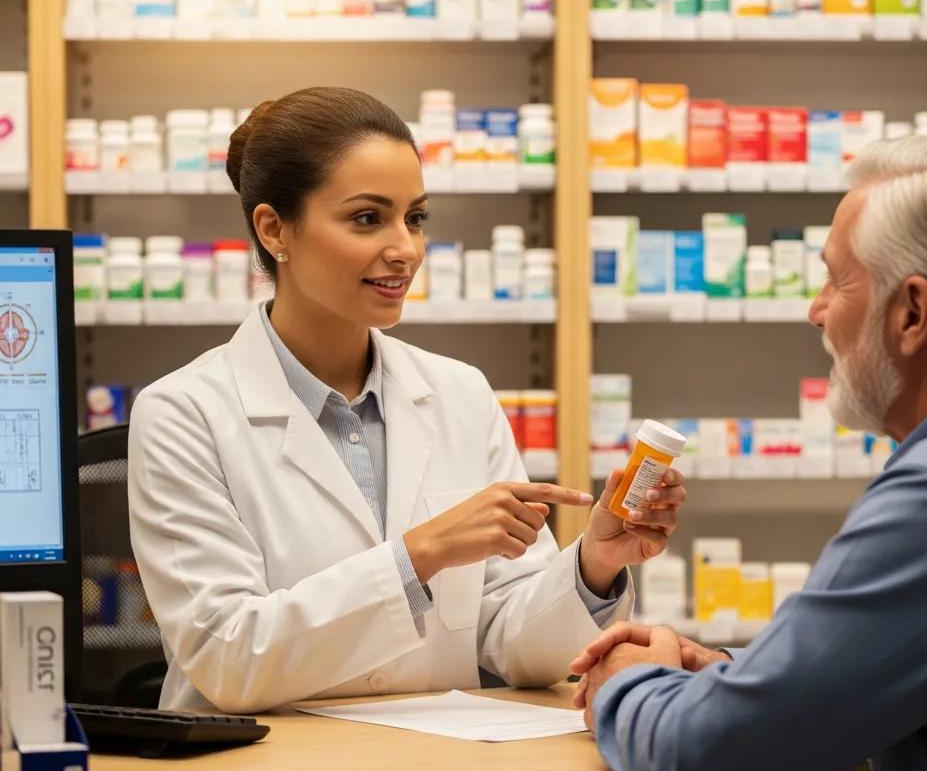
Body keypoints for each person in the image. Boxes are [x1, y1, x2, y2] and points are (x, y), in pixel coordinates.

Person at [570, 136, 927, 771]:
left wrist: (628, 685)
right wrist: (759, 678)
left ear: (912, 313)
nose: (816, 310)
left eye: (835, 279)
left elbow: (721, 761)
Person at [128, 86, 685, 714]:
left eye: (414, 218)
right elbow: (225, 657)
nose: (406, 249)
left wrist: (594, 565)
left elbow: (514, 642)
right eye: (368, 218)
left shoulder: (459, 394)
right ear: (274, 229)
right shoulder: (181, 414)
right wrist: (421, 554)